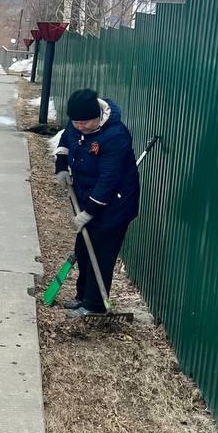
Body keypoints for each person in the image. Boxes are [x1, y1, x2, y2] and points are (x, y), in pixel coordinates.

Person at [54, 88, 139, 318]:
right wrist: (61, 164)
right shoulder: (78, 123)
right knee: (84, 248)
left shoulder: (116, 136)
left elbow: (109, 180)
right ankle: (83, 296)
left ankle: (94, 305)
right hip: (86, 196)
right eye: (76, 122)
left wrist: (88, 212)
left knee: (101, 253)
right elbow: (67, 137)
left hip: (115, 205)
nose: (79, 127)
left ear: (97, 116)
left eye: (84, 123)